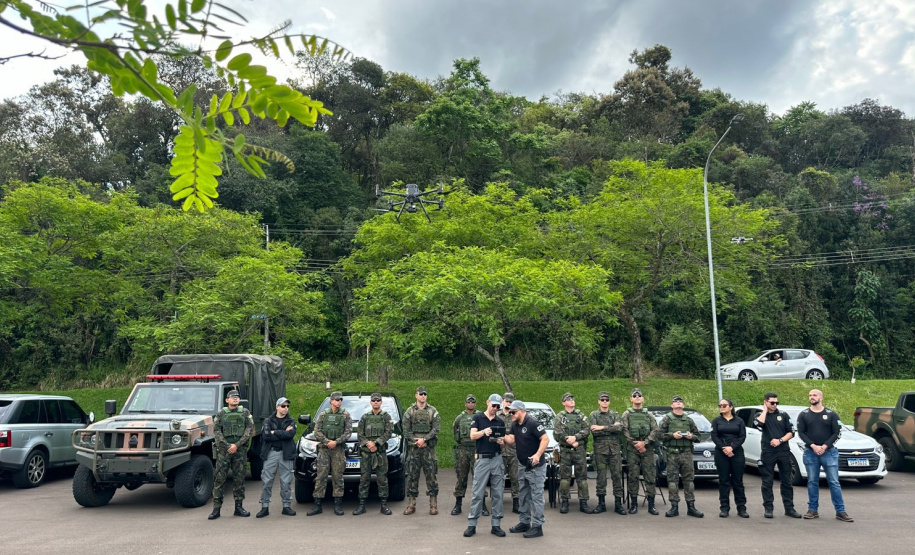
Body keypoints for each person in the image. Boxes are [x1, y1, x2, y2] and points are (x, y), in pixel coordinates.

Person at [797, 389, 853, 522]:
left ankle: (840, 511)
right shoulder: (803, 414)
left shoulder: (831, 414)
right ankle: (812, 510)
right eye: (810, 395)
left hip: (829, 452)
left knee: (834, 482)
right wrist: (813, 445)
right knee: (812, 481)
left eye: (814, 395)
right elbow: (801, 433)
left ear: (821, 398)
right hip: (811, 452)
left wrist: (825, 446)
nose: (812, 397)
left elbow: (837, 433)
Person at [463, 394, 507, 538]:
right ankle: (472, 524)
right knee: (477, 491)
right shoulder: (477, 418)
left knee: (498, 492)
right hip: (482, 459)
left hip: (496, 458)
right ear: (487, 402)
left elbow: (504, 438)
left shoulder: (500, 421)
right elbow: (472, 435)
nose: (495, 409)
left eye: (497, 407)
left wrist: (502, 441)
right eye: (493, 405)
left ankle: (496, 524)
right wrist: (484, 431)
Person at [503, 400, 549, 538]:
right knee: (523, 495)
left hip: (535, 467)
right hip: (523, 465)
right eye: (510, 412)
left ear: (522, 411)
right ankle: (524, 522)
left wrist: (538, 454)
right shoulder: (515, 424)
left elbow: (545, 439)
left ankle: (537, 526)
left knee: (536, 496)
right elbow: (511, 439)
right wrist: (501, 437)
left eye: (513, 412)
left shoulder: (532, 423)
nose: (511, 414)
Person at [754, 392, 802, 519]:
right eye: (772, 403)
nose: (775, 405)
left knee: (786, 481)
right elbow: (759, 424)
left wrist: (780, 440)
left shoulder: (783, 415)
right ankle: (768, 508)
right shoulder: (760, 415)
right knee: (767, 482)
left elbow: (791, 432)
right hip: (768, 452)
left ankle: (789, 508)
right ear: (765, 402)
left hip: (783, 451)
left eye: (776, 403)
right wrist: (765, 410)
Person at [209, 389, 255, 520]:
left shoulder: (245, 413)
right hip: (224, 451)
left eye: (237, 397)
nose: (235, 398)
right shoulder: (221, 414)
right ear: (227, 400)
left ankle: (239, 507)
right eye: (232, 397)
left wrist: (237, 445)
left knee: (239, 480)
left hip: (239, 451)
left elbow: (249, 430)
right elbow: (217, 431)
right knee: (219, 480)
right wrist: (228, 446)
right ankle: (216, 509)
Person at [658, 395, 704, 518]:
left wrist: (691, 437)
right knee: (672, 481)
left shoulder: (688, 420)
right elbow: (659, 435)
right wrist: (672, 435)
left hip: (687, 453)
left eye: (680, 401)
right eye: (675, 401)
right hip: (672, 453)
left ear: (683, 405)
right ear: (672, 405)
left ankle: (691, 507)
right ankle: (674, 507)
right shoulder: (667, 419)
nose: (678, 403)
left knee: (689, 481)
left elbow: (698, 436)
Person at [307, 390, 352, 516]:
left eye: (341, 400)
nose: (339, 402)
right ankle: (317, 505)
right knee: (320, 476)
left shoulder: (345, 415)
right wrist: (327, 442)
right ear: (331, 401)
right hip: (324, 450)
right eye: (337, 399)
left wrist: (336, 442)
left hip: (338, 450)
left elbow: (348, 433)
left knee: (338, 477)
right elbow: (317, 431)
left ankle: (337, 505)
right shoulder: (323, 415)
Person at [402, 385, 441, 515]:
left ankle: (433, 505)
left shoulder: (432, 411)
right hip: (414, 450)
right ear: (416, 395)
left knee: (431, 476)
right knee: (412, 476)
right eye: (421, 394)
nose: (423, 396)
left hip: (428, 449)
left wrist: (424, 440)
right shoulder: (409, 412)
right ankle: (411, 505)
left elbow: (436, 429)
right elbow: (405, 430)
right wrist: (416, 441)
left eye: (425, 394)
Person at [354, 392, 394, 516]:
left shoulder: (386, 417)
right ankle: (362, 506)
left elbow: (388, 432)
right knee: (364, 479)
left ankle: (383, 505)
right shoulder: (365, 417)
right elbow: (359, 433)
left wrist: (376, 443)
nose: (376, 402)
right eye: (374, 400)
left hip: (380, 454)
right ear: (371, 402)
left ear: (381, 402)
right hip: (366, 454)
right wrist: (368, 443)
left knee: (382, 479)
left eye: (378, 400)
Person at [256, 396, 297, 518]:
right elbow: (266, 436)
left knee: (286, 481)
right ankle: (264, 507)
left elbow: (290, 434)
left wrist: (275, 432)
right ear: (277, 407)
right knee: (267, 480)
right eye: (283, 406)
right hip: (271, 453)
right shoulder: (268, 421)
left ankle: (286, 506)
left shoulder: (291, 421)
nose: (286, 409)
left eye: (287, 406)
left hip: (286, 453)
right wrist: (281, 432)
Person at [621, 388, 659, 515]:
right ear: (631, 399)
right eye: (634, 395)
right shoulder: (626, 414)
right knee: (633, 477)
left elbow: (655, 430)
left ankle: (651, 505)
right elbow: (624, 431)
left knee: (650, 476)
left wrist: (645, 442)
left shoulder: (649, 415)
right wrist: (636, 444)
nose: (637, 397)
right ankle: (634, 504)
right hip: (633, 450)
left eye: (639, 395)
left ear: (643, 399)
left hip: (647, 450)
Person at [553, 392, 593, 514]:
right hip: (565, 451)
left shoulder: (580, 416)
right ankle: (565, 502)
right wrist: (568, 440)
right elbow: (557, 432)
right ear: (563, 403)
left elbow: (587, 430)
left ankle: (583, 502)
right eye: (568, 399)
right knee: (565, 478)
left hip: (579, 450)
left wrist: (575, 438)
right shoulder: (559, 417)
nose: (571, 400)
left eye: (572, 398)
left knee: (582, 478)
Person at [589, 391, 626, 515]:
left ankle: (618, 504)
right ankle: (601, 504)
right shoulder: (594, 415)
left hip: (614, 450)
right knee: (601, 477)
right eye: (602, 400)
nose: (605, 402)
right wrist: (611, 428)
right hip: (600, 450)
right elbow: (594, 431)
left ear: (609, 402)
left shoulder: (615, 414)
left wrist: (602, 427)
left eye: (607, 400)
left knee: (617, 476)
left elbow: (619, 428)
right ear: (598, 401)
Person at [710, 397, 748, 518]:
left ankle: (741, 508)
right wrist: (724, 448)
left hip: (736, 452)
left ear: (731, 407)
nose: (721, 407)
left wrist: (732, 448)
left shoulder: (739, 421)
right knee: (724, 481)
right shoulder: (716, 421)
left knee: (738, 481)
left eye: (724, 405)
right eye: (720, 405)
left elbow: (742, 436)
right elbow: (714, 436)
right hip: (721, 453)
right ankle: (724, 508)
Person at [451, 394, 479, 515]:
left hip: (477, 451)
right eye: (469, 402)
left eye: (473, 402)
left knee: (479, 478)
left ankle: (482, 505)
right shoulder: (459, 418)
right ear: (465, 404)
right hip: (463, 450)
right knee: (461, 477)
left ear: (475, 404)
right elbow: (455, 432)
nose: (471, 404)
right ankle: (458, 505)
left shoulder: (479, 417)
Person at [499, 392, 520, 514]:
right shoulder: (497, 416)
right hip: (500, 452)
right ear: (502, 401)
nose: (508, 403)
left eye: (510, 402)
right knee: (499, 479)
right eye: (507, 401)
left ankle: (516, 502)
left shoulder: (515, 416)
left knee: (515, 478)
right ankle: (498, 502)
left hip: (513, 452)